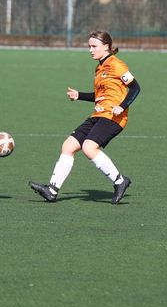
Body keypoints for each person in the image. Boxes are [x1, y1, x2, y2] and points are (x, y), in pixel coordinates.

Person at [29, 30, 141, 205]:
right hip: (98, 114)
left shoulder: (116, 65)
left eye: (94, 46)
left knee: (89, 147)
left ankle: (120, 181)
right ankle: (52, 190)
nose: (90, 50)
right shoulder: (99, 68)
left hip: (113, 117)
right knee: (68, 146)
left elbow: (135, 88)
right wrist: (79, 95)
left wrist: (122, 106)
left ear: (106, 46)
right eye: (89, 46)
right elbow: (100, 96)